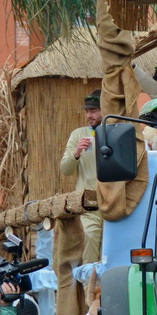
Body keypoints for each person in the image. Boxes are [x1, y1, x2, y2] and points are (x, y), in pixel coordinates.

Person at [60, 91, 105, 262]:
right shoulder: (78, 135)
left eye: (93, 111)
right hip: (89, 202)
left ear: (104, 109)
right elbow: (65, 169)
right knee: (90, 237)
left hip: (114, 201)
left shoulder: (117, 132)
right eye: (87, 111)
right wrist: (76, 152)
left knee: (112, 248)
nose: (89, 115)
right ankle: (89, 287)